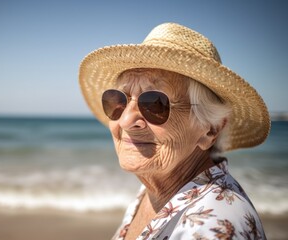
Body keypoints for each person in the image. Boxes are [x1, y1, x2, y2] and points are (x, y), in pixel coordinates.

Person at [79, 23, 270, 240]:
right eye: (119, 101)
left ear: (210, 130)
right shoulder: (155, 190)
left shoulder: (210, 228)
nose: (126, 120)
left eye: (155, 103)